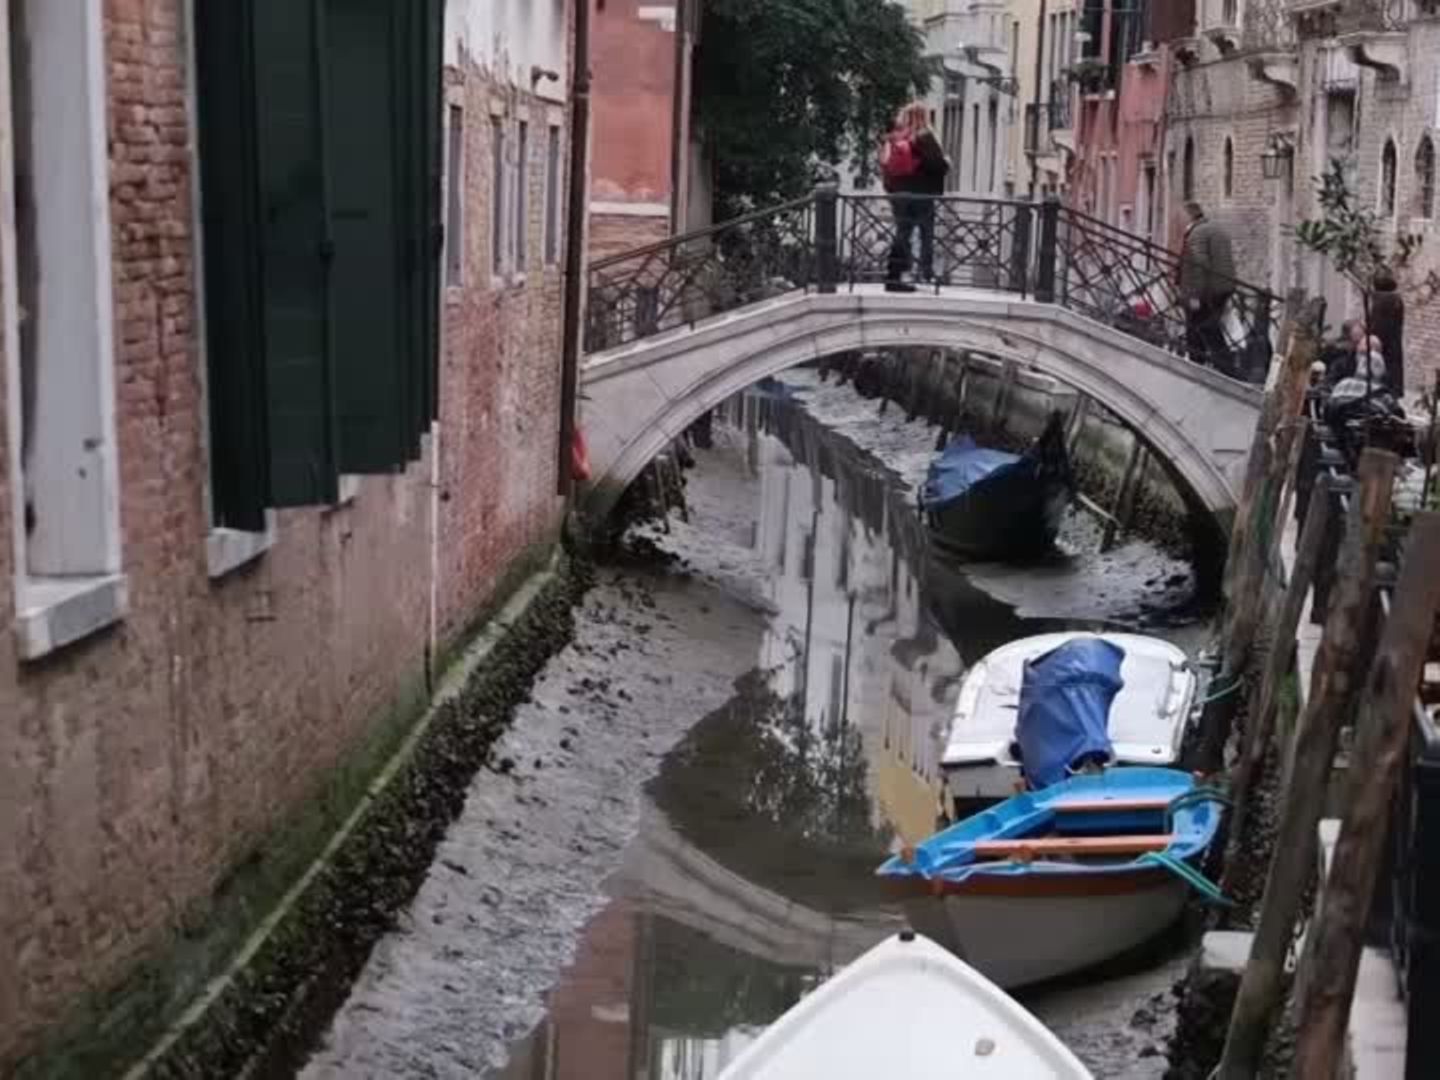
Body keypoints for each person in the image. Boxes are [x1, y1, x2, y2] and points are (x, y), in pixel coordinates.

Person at [880, 103, 949, 292]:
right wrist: (946, 161)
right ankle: (925, 272)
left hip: (898, 194)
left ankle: (896, 273)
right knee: (926, 233)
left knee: (903, 233)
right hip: (921, 194)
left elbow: (887, 166)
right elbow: (939, 165)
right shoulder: (923, 136)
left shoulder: (898, 137)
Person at [1177, 201, 1236, 374]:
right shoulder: (1217, 229)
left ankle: (1199, 367)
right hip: (1223, 286)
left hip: (1206, 290)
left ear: (1189, 216)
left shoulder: (1197, 234)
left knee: (1196, 328)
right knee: (1209, 326)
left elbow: (1199, 264)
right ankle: (1222, 366)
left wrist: (1194, 296)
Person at [1368, 266, 1406, 396]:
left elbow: (1377, 325)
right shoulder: (1396, 299)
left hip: (1382, 344)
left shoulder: (1382, 300)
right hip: (1393, 344)